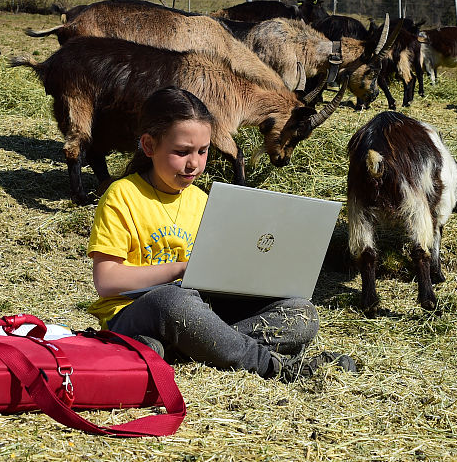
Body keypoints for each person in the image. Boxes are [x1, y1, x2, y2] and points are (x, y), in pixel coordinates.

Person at [86, 86, 356, 382]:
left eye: (203, 151)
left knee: (301, 313)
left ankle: (182, 348)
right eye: (181, 152)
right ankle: (271, 365)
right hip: (135, 313)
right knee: (174, 301)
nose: (194, 163)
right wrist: (180, 270)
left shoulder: (203, 200)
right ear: (149, 146)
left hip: (199, 311)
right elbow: (107, 281)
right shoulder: (122, 195)